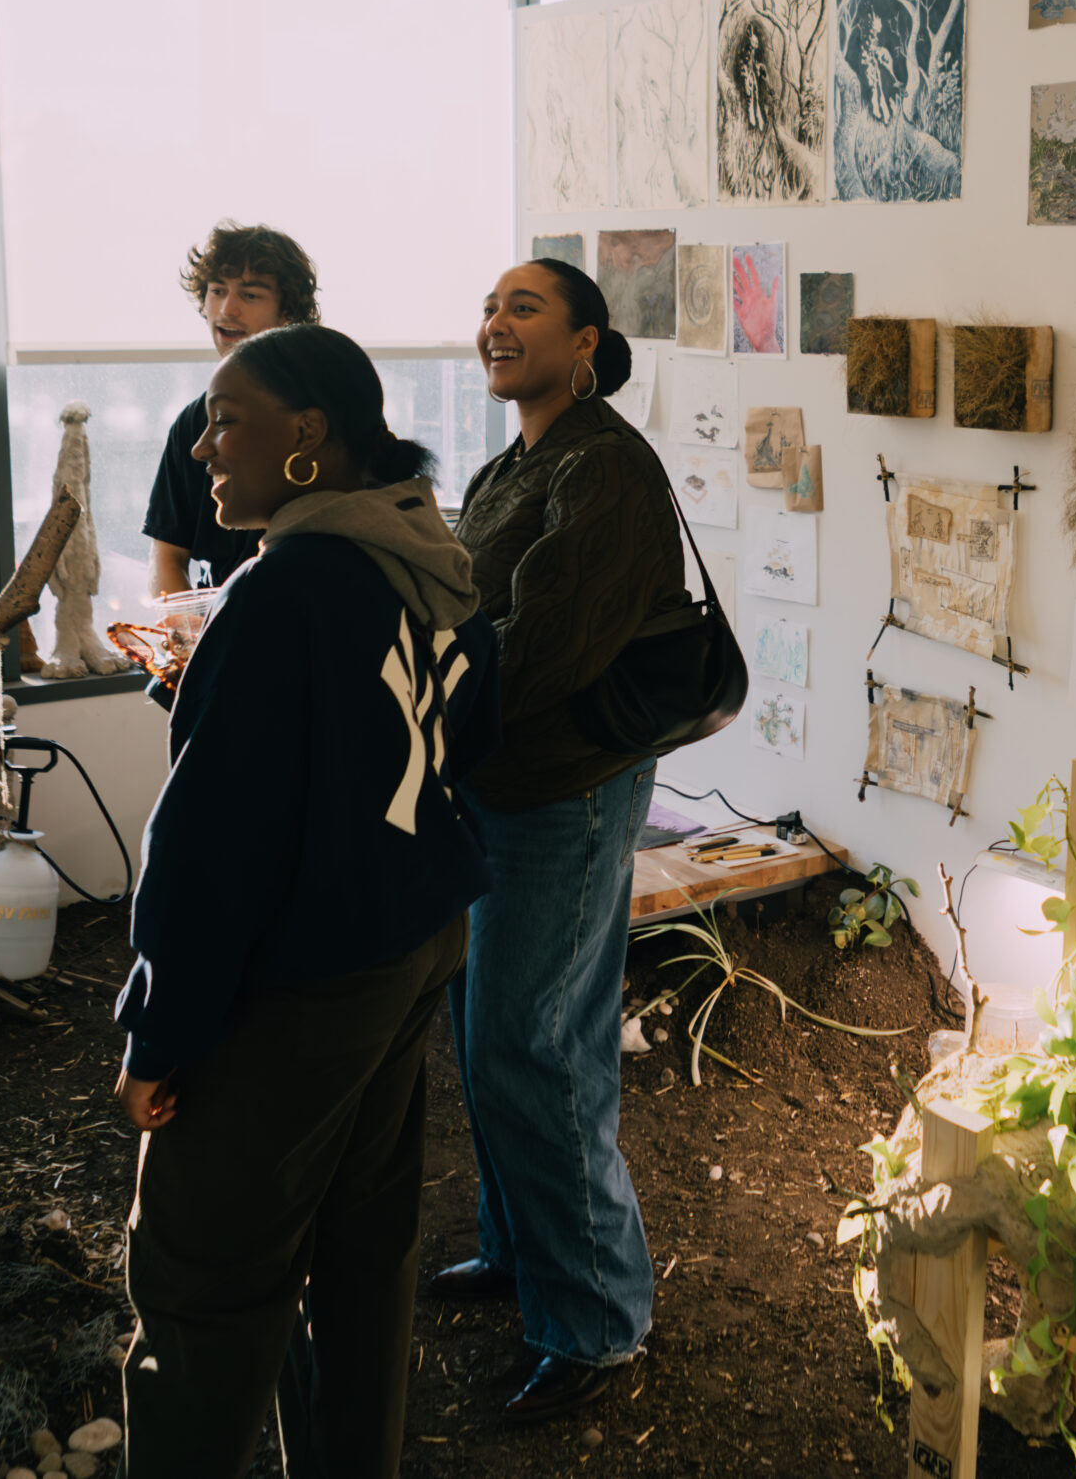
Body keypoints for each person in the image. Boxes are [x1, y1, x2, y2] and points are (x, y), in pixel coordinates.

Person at [111, 323, 497, 1479]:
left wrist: (158, 1031)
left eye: (228, 416)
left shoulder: (283, 594)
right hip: (409, 933)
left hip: (304, 973)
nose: (202, 441)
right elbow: (450, 729)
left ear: (309, 437)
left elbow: (212, 849)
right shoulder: (419, 556)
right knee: (358, 1252)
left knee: (208, 1281)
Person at [432, 258, 689, 1423]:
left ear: (585, 342)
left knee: (531, 1046)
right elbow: (465, 608)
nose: (495, 325)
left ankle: (592, 1321)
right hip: (492, 782)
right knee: (490, 1030)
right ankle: (523, 1247)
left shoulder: (606, 469)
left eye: (522, 308)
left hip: (564, 795)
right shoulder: (511, 462)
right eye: (490, 308)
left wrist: (426, 707)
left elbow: (542, 648)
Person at [144, 222, 320, 596]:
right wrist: (193, 640)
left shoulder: (325, 409)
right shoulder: (193, 422)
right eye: (217, 291)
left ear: (287, 312)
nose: (227, 309)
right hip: (217, 628)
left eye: (251, 295)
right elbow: (166, 556)